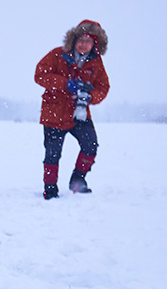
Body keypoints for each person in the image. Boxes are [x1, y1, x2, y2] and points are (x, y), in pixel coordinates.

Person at [34, 19, 110, 199]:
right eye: (81, 40)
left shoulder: (96, 63)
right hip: (54, 113)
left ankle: (78, 179)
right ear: (74, 40)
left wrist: (91, 97)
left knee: (90, 146)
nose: (84, 45)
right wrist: (65, 84)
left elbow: (103, 87)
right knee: (52, 154)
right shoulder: (57, 55)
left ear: (95, 44)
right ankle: (50, 188)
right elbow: (39, 74)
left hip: (79, 114)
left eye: (88, 41)